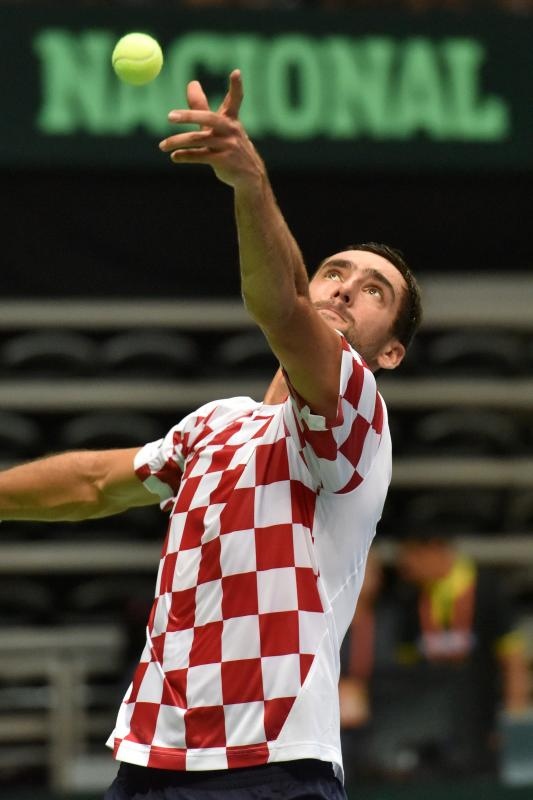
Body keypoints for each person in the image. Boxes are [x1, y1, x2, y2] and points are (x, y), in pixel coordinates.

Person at [0, 71, 422, 799]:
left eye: (374, 290)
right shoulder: (216, 422)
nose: (346, 287)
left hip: (273, 764)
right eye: (335, 272)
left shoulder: (355, 419)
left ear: (389, 353)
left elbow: (281, 306)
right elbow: (94, 482)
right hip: (151, 757)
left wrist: (247, 180)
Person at [393, 531, 529, 778]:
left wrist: (511, 721)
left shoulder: (488, 590)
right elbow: (406, 676)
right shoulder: (410, 601)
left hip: (482, 724)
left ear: (435, 548)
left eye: (411, 553)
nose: (405, 564)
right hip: (428, 732)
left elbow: (513, 662)